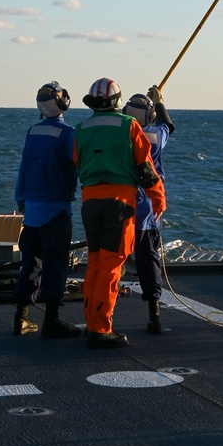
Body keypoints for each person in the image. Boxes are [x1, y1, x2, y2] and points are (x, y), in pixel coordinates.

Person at [73, 76, 164, 348]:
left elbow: (77, 161)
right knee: (112, 265)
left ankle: (92, 322)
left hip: (90, 201)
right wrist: (158, 200)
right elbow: (146, 169)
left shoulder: (81, 128)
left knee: (96, 262)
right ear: (117, 101)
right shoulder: (129, 125)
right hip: (120, 202)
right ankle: (101, 329)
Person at [13, 80, 82, 340]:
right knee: (56, 265)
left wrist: (22, 200)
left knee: (30, 263)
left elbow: (23, 170)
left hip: (31, 209)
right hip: (57, 210)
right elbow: (78, 165)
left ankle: (21, 317)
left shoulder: (32, 132)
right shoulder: (69, 134)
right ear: (63, 102)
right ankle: (51, 321)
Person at [123, 84, 174, 334]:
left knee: (112, 263)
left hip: (120, 206)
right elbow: (169, 127)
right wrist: (160, 102)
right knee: (149, 261)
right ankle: (154, 315)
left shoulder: (120, 134)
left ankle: (103, 318)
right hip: (148, 210)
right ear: (150, 115)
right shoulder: (155, 135)